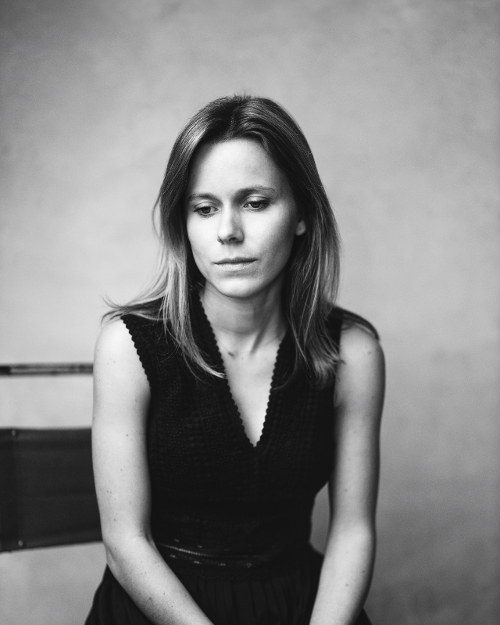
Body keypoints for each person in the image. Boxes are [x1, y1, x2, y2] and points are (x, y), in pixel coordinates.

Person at [85, 95, 385, 625]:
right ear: (185, 225)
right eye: (204, 208)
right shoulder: (127, 346)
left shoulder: (353, 353)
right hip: (161, 608)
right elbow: (124, 541)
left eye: (254, 202)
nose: (228, 231)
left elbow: (353, 529)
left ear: (302, 215)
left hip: (304, 607)